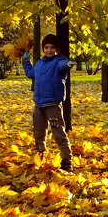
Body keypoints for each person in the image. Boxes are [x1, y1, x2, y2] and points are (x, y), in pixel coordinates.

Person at [22, 33, 74, 171]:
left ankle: (66, 160)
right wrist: (26, 61)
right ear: (43, 49)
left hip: (53, 105)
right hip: (38, 105)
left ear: (56, 49)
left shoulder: (59, 62)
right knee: (38, 132)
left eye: (52, 47)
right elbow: (30, 73)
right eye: (46, 47)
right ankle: (40, 155)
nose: (49, 50)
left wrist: (68, 64)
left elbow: (63, 65)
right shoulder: (39, 63)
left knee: (58, 133)